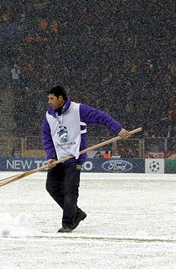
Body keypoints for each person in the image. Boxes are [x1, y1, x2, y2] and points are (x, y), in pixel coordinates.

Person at [42, 86, 130, 233]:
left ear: (60, 99)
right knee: (52, 187)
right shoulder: (49, 116)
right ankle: (77, 213)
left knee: (70, 190)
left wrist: (118, 129)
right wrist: (51, 156)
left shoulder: (78, 110)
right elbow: (47, 137)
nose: (49, 101)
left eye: (51, 98)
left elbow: (101, 116)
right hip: (58, 159)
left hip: (74, 159)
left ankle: (68, 224)